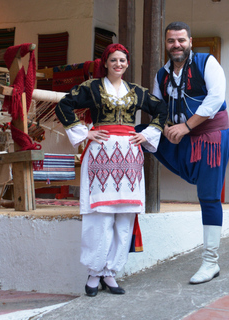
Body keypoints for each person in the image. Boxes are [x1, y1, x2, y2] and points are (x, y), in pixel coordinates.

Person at [55, 43, 168, 296]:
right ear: (105, 63)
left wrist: (147, 133)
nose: (118, 64)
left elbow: (161, 109)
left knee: (125, 216)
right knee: (100, 216)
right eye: (114, 60)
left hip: (129, 156)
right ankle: (94, 273)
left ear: (127, 64)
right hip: (100, 154)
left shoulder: (137, 92)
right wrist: (86, 132)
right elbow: (63, 105)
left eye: (123, 61)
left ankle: (111, 272)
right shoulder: (92, 88)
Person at [142, 21, 229, 284]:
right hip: (183, 137)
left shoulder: (207, 62)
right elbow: (158, 108)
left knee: (209, 197)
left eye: (181, 40)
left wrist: (186, 126)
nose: (176, 45)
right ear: (166, 44)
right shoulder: (162, 74)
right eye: (171, 41)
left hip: (211, 137)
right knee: (140, 131)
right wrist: (167, 126)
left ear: (190, 41)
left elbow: (216, 99)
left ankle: (210, 262)